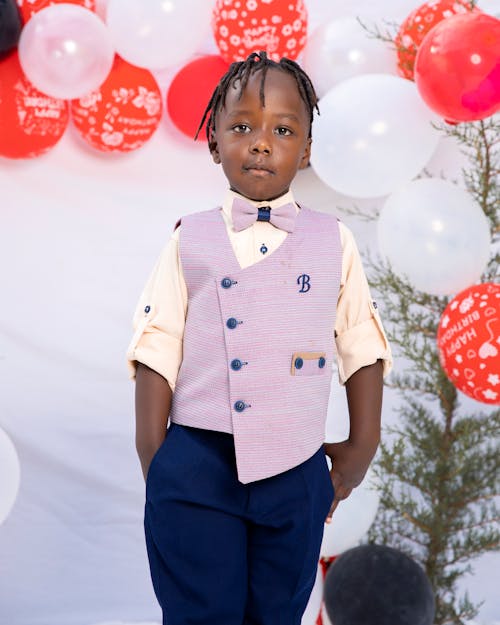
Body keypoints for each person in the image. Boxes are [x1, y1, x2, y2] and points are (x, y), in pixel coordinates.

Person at [127, 51, 392, 625]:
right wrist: (158, 457)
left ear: (307, 148)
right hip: (196, 463)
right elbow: (157, 344)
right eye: (241, 127)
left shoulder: (334, 242)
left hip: (295, 467)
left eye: (283, 129)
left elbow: (360, 342)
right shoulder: (187, 239)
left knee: (277, 613)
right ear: (214, 142)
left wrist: (362, 441)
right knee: (201, 613)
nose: (261, 143)